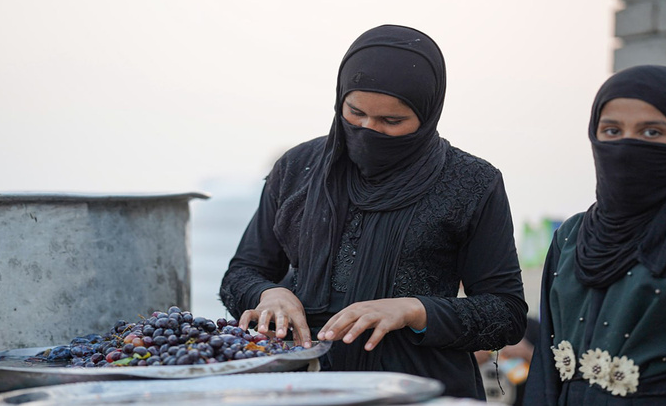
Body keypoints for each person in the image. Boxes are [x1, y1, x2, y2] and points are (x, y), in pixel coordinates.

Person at [219, 24, 527, 399]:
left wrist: (414, 310)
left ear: (428, 114)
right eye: (355, 112)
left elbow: (505, 314)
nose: (368, 130)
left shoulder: (472, 182)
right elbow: (241, 273)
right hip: (301, 385)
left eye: (391, 122)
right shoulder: (298, 168)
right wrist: (268, 295)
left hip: (420, 389)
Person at [524, 65, 666, 405]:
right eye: (612, 130)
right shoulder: (571, 236)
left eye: (651, 133)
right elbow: (544, 368)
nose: (627, 146)